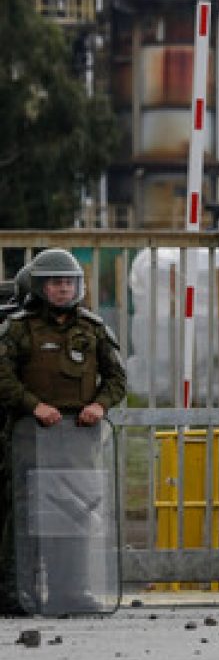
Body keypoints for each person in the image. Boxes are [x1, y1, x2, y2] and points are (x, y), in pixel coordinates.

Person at [0, 249, 126, 613]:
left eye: (69, 282)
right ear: (39, 286)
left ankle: (71, 590)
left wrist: (99, 405)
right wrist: (32, 405)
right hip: (30, 435)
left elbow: (117, 378)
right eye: (55, 283)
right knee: (24, 513)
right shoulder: (18, 328)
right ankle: (16, 592)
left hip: (78, 437)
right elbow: (2, 375)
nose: (63, 289)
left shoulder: (93, 329)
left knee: (76, 511)